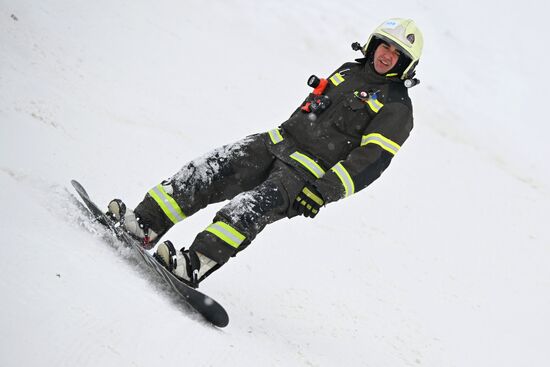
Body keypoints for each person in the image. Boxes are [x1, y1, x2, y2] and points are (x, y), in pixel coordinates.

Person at [107, 18, 424, 288]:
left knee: (244, 211)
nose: (387, 56)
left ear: (406, 64)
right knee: (206, 170)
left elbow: (371, 162)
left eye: (397, 54)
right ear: (373, 45)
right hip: (275, 142)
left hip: (304, 174)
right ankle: (144, 224)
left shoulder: (396, 106)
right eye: (385, 46)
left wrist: (322, 192)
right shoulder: (348, 71)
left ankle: (194, 264)